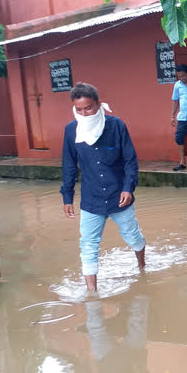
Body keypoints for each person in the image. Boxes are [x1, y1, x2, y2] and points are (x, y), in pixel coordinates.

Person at [61, 82, 146, 292]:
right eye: (78, 109)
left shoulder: (116, 126)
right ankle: (92, 293)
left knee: (133, 236)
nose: (84, 113)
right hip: (91, 200)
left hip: (119, 196)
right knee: (88, 244)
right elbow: (69, 166)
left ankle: (143, 267)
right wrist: (67, 197)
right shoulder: (72, 131)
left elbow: (130, 160)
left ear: (98, 105)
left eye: (88, 108)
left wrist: (128, 188)